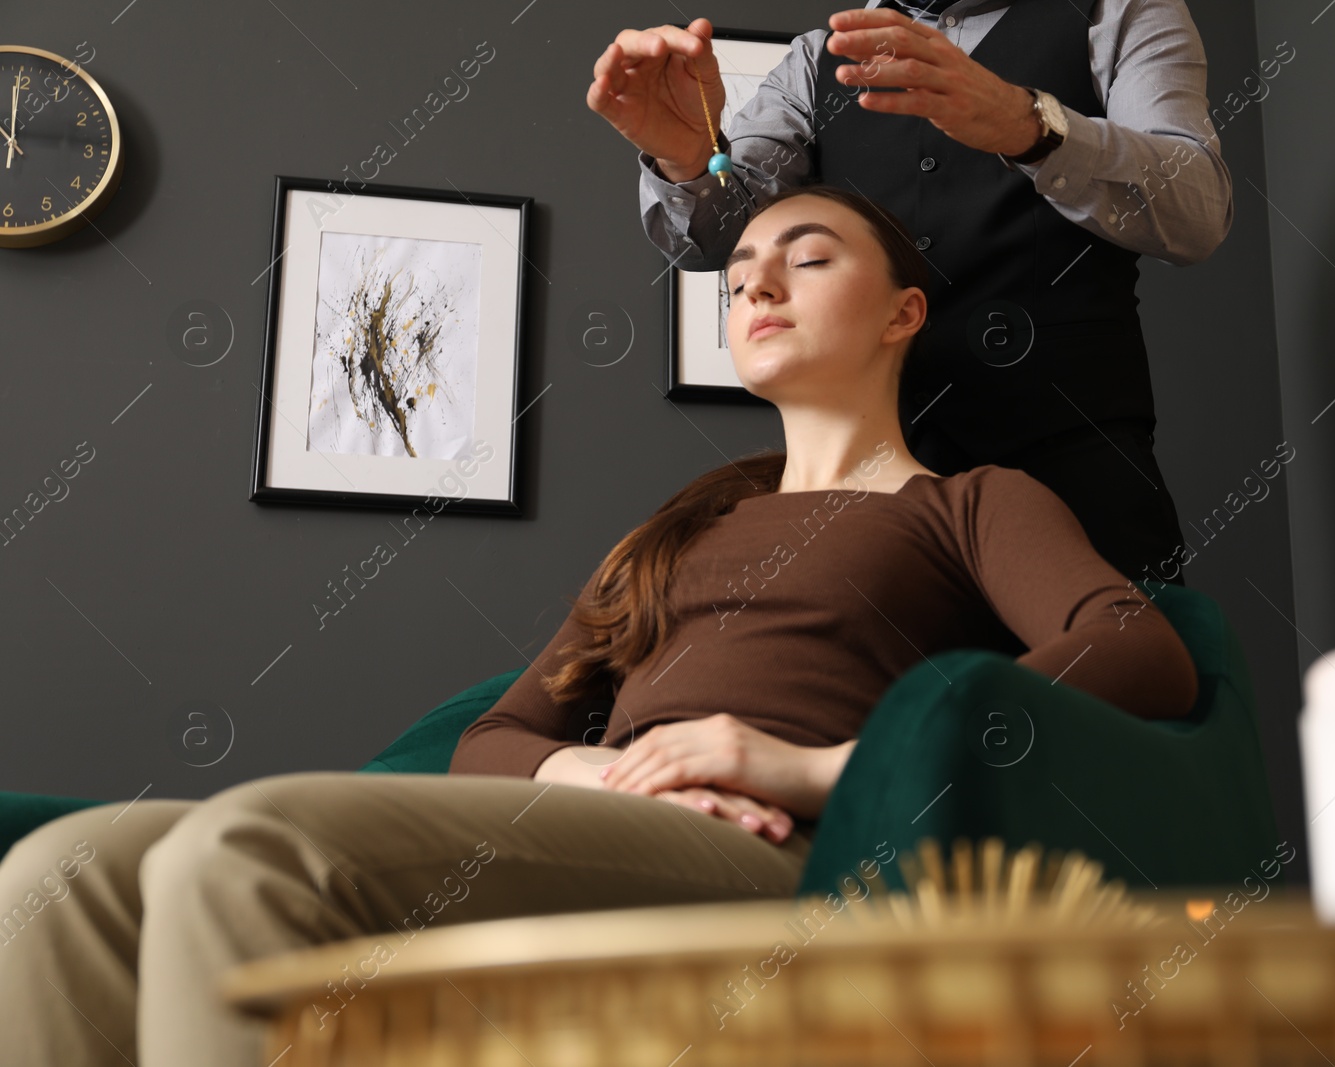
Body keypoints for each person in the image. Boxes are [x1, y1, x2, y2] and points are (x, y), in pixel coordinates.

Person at [0, 186, 1196, 1067]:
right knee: (64, 873)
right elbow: (502, 733)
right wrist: (614, 770)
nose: (757, 284)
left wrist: (810, 764)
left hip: (782, 848)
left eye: (807, 257)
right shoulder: (686, 521)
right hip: (600, 818)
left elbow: (1138, 647)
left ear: (903, 312)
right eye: (734, 280)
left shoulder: (970, 500)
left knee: (248, 845)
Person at [590, 0, 1234, 586]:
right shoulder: (815, 62)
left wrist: (1031, 125)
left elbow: (1196, 210)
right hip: (868, 497)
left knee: (1112, 692)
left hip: (1083, 478)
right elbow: (724, 237)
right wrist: (688, 161)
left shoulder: (1116, 14)